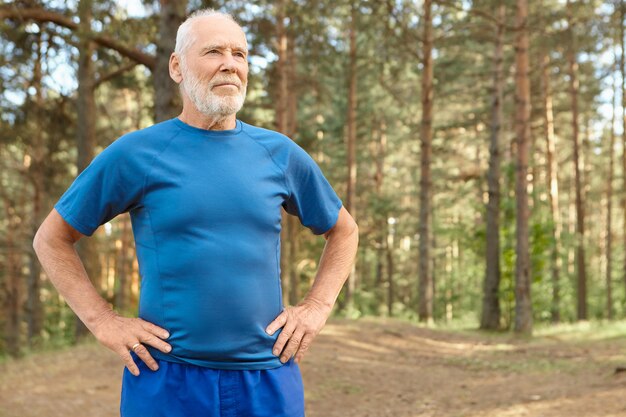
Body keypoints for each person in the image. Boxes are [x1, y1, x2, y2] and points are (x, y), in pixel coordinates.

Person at [32, 8, 358, 417]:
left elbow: (344, 230)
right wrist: (102, 321)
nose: (230, 64)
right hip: (167, 379)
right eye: (214, 51)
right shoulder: (137, 154)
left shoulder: (279, 154)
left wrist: (316, 307)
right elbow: (51, 238)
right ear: (176, 66)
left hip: (268, 376)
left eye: (240, 54)